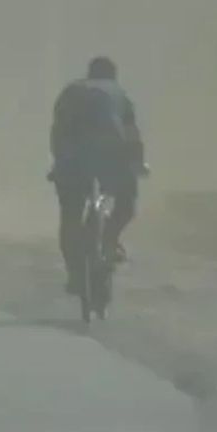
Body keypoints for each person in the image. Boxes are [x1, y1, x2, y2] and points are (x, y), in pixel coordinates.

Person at [48, 56, 144, 295]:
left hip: (72, 160)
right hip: (111, 157)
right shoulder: (118, 94)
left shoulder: (71, 91)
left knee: (70, 216)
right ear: (113, 75)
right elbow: (132, 134)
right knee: (125, 205)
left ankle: (74, 274)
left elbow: (58, 130)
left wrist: (58, 162)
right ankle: (110, 241)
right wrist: (138, 163)